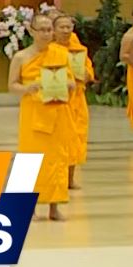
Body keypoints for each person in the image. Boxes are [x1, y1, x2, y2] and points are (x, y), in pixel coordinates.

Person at [9, 13, 73, 221]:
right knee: (30, 160)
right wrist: (28, 88)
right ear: (31, 31)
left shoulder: (61, 54)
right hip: (33, 112)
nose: (47, 34)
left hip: (56, 112)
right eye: (42, 30)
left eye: (49, 30)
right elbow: (12, 86)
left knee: (56, 160)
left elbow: (71, 80)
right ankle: (30, 207)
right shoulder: (21, 57)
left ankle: (54, 207)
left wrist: (69, 84)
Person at [53, 14, 93, 190]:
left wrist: (84, 74)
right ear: (54, 30)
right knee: (58, 141)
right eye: (62, 27)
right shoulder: (49, 50)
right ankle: (55, 180)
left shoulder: (79, 50)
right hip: (57, 100)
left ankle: (70, 178)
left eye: (68, 27)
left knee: (75, 139)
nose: (66, 30)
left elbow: (89, 73)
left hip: (77, 100)